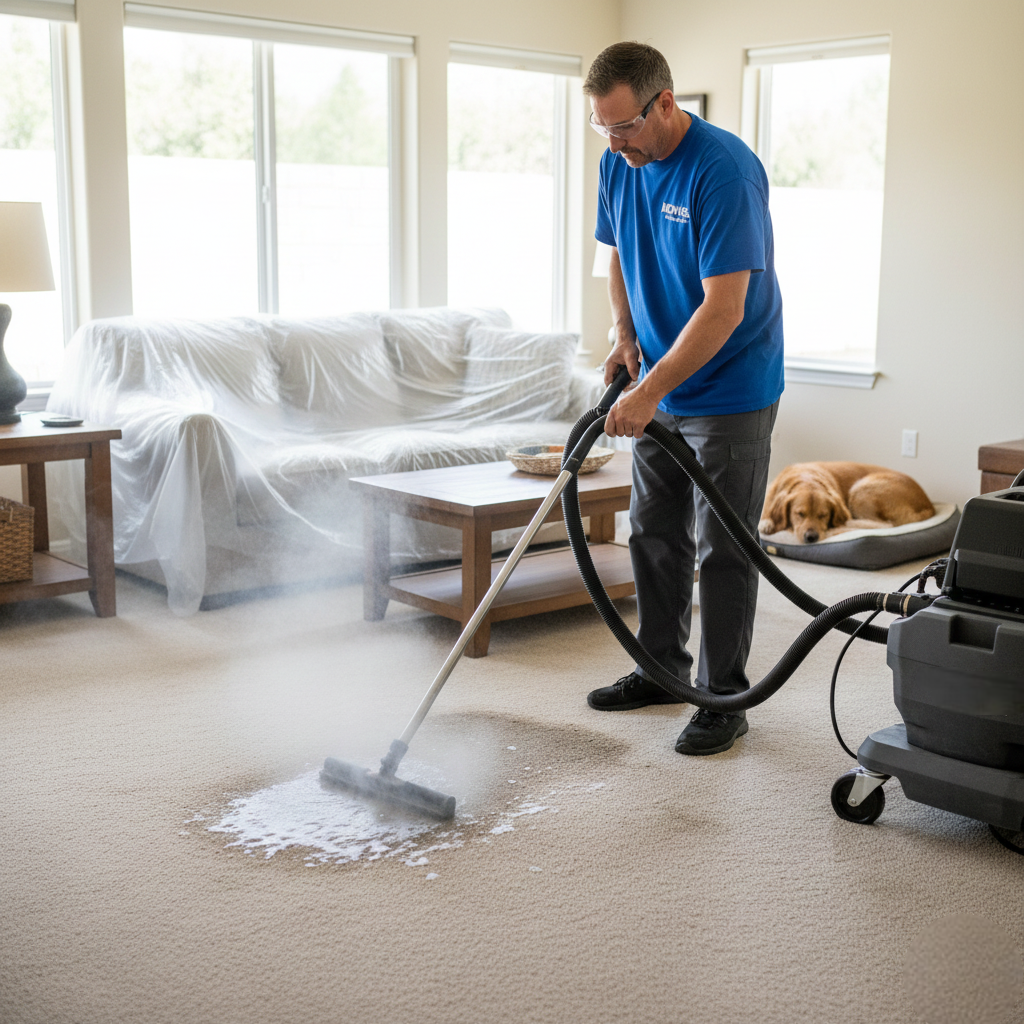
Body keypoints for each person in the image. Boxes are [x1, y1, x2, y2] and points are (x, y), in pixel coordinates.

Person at [583, 41, 784, 756]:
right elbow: (619, 257)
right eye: (603, 128)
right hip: (659, 380)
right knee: (653, 531)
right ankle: (663, 669)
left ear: (665, 103)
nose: (615, 142)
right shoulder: (619, 162)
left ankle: (722, 697)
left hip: (730, 387)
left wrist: (649, 391)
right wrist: (623, 332)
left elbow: (725, 308)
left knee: (723, 546)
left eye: (625, 126)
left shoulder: (723, 171)